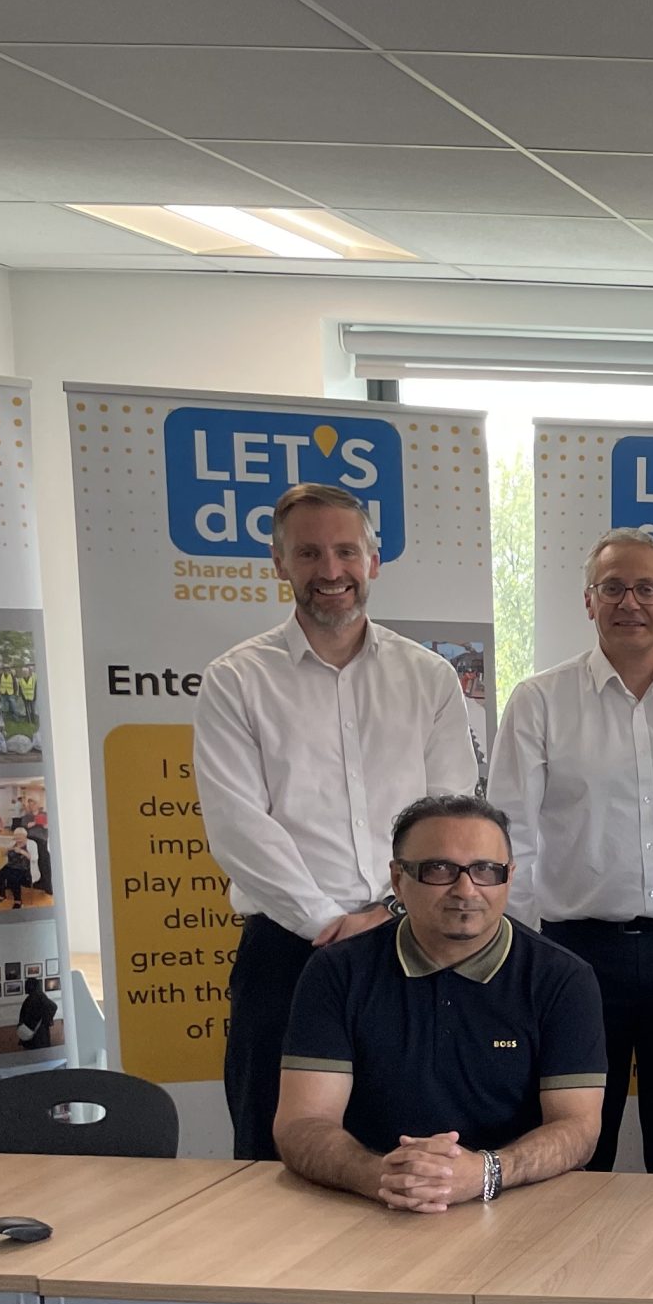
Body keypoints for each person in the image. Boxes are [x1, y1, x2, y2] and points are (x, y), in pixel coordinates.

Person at [272, 793, 606, 1304]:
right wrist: (378, 1171)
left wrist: (482, 1172)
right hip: (368, 1208)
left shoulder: (560, 977)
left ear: (509, 878)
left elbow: (578, 1128)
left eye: (487, 869)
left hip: (517, 1213)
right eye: (439, 868)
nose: (466, 887)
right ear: (398, 879)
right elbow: (301, 1123)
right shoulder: (338, 972)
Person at [194, 483, 478, 1158]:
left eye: (346, 552)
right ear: (279, 564)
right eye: (310, 553)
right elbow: (239, 826)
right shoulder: (236, 680)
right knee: (274, 1151)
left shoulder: (429, 677)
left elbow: (451, 817)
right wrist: (327, 923)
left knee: (408, 1143)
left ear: (373, 562)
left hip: (410, 944)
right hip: (287, 952)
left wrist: (385, 912)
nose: (330, 572)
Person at [489, 529, 653, 1175]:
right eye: (613, 588)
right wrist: (528, 953)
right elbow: (511, 836)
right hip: (576, 955)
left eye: (647, 588)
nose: (631, 602)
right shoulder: (540, 702)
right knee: (571, 1147)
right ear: (588, 602)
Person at [16, 975, 55, 1049]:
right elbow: (53, 1007)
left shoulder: (31, 999)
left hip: (33, 1034)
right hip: (40, 1034)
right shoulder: (40, 996)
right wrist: (46, 1020)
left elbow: (23, 1018)